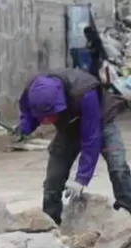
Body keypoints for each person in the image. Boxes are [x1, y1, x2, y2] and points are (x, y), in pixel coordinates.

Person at [17, 68, 131, 225]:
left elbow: (91, 137)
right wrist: (24, 127)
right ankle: (51, 223)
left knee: (118, 167)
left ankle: (127, 214)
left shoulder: (84, 91)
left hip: (100, 123)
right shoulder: (32, 90)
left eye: (50, 116)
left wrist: (82, 178)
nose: (47, 120)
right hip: (68, 129)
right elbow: (29, 112)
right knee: (53, 179)